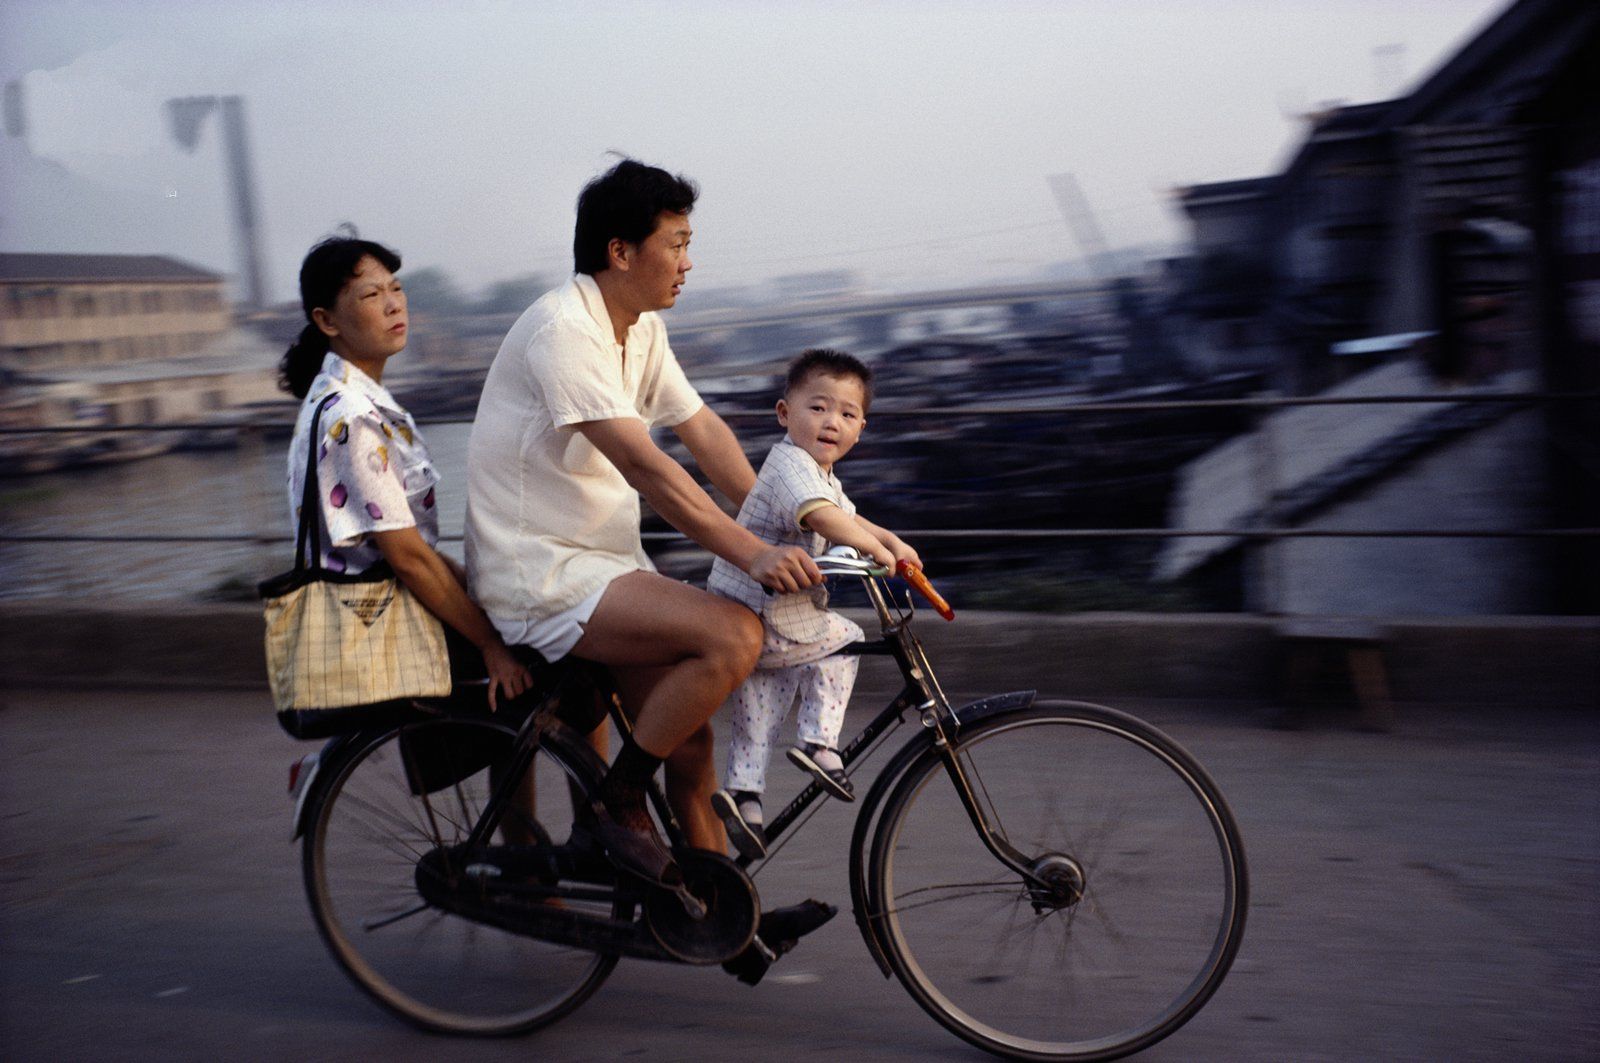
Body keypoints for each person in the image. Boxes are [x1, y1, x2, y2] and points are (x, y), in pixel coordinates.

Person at [465, 159, 826, 885]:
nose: (688, 263)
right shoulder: (564, 331)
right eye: (676, 243)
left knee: (691, 749)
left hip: (603, 561)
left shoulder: (639, 329)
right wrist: (752, 552)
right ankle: (615, 800)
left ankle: (722, 919)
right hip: (539, 570)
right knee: (733, 635)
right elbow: (648, 468)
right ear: (620, 252)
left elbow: (705, 434)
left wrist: (793, 518)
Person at [280, 234, 533, 711]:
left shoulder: (355, 397)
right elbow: (408, 557)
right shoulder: (350, 419)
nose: (394, 305)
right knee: (542, 677)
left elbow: (415, 549)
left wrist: (473, 586)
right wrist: (490, 645)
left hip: (392, 608)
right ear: (326, 320)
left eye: (395, 289)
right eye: (372, 296)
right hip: (383, 622)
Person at [707, 349, 920, 858]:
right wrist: (875, 550)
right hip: (762, 612)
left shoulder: (818, 472)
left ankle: (744, 797)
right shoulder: (789, 468)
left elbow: (850, 516)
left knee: (761, 704)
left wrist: (892, 541)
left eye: (847, 414)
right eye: (818, 408)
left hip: (748, 613)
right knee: (843, 639)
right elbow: (825, 520)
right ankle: (820, 744)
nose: (832, 422)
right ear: (785, 413)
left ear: (861, 428)